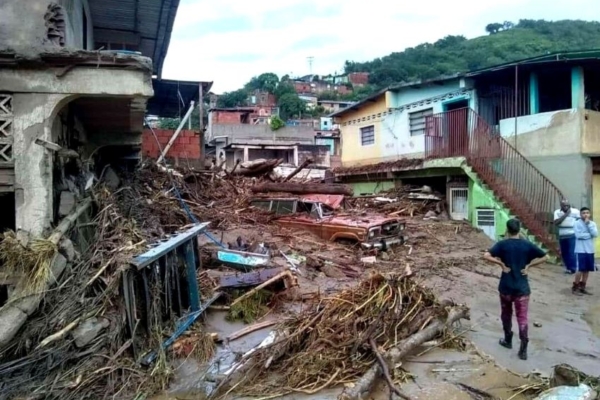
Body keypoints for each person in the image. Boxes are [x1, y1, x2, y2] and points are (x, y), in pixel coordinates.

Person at [483, 219, 547, 360]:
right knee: (522, 318)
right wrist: (529, 266)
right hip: (522, 288)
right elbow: (545, 256)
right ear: (519, 229)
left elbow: (486, 255)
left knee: (506, 314)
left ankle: (507, 340)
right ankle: (523, 350)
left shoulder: (502, 245)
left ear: (507, 229)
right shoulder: (527, 245)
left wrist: (500, 264)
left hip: (506, 286)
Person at [573, 207, 597, 295]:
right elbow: (578, 236)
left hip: (590, 250)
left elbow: (595, 234)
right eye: (583, 213)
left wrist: (588, 225)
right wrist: (589, 235)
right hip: (580, 250)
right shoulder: (576, 223)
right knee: (580, 269)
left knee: (587, 269)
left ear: (590, 214)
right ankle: (575, 287)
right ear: (580, 214)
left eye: (587, 213)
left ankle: (583, 287)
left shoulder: (592, 224)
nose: (586, 214)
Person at [554, 199, 580, 274]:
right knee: (564, 253)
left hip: (572, 234)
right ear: (561, 206)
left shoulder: (575, 211)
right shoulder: (557, 212)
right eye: (564, 205)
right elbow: (556, 223)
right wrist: (566, 214)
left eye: (567, 205)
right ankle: (568, 268)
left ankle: (572, 269)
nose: (566, 207)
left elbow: (579, 221)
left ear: (569, 205)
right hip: (562, 235)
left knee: (571, 252)